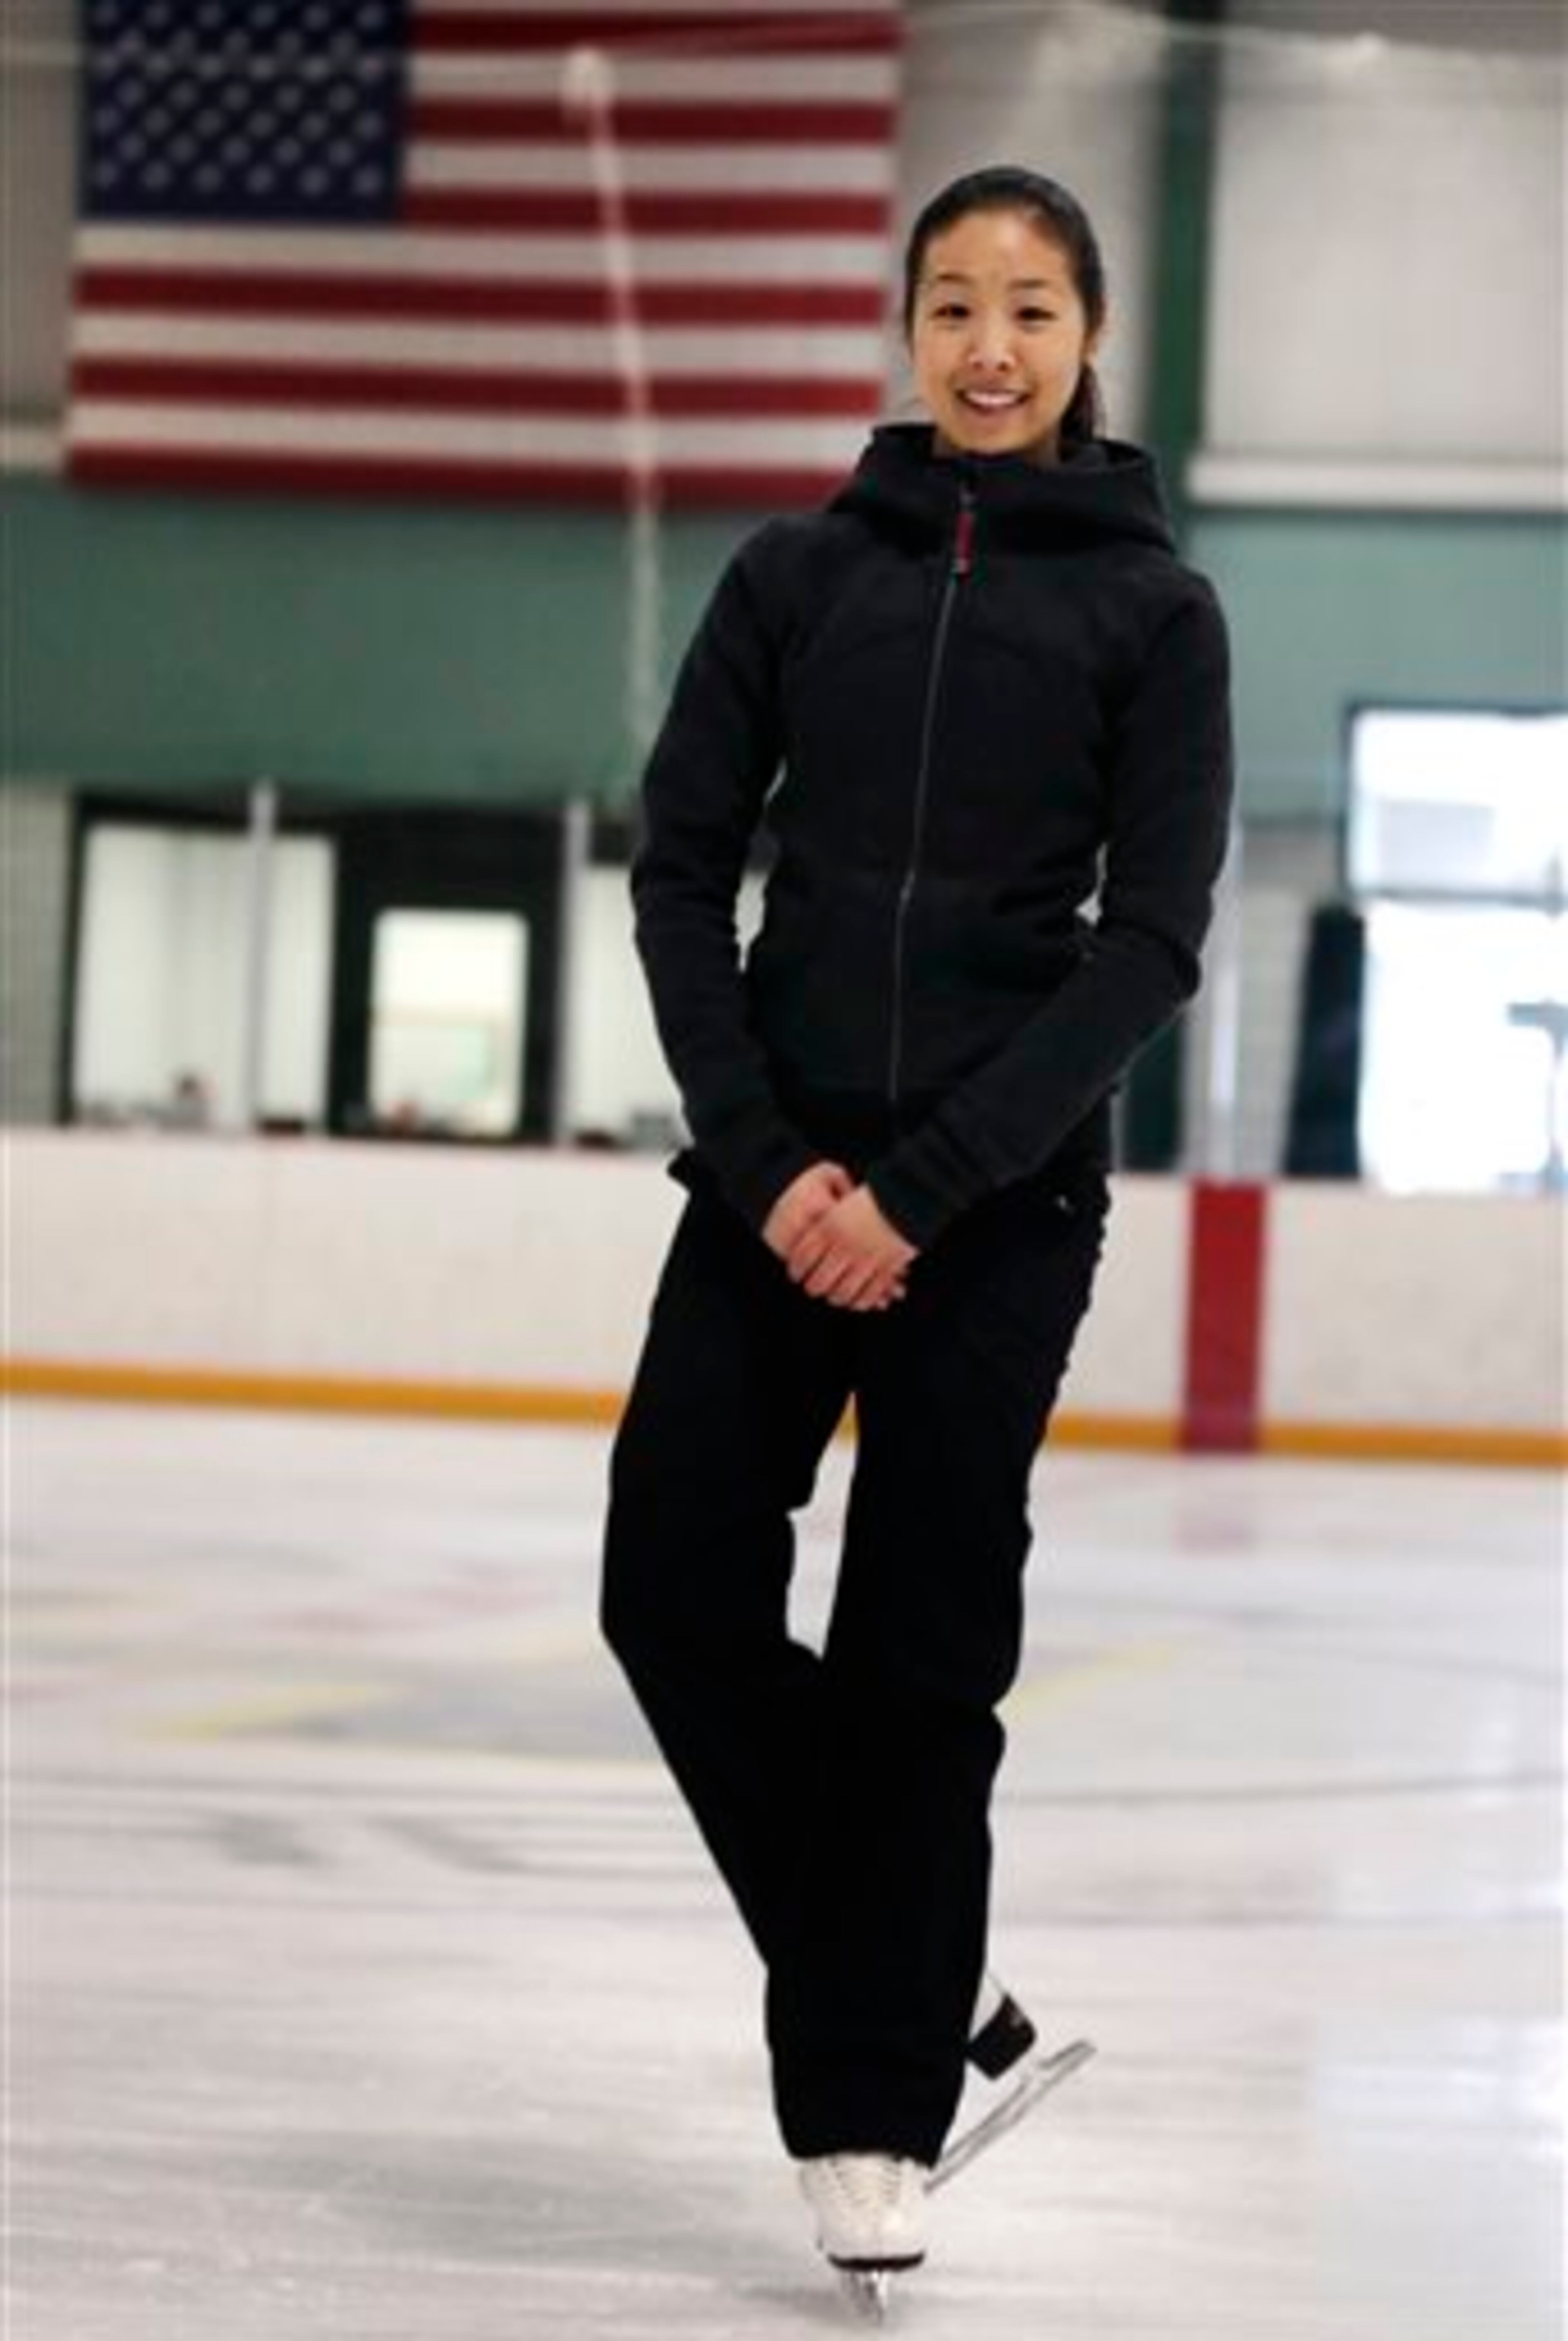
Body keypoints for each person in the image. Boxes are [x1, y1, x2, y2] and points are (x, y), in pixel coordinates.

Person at [600, 163, 1234, 2287]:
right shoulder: (798, 575)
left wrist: (929, 1189)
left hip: (1001, 1195)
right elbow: (680, 870)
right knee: (672, 1576)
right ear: (904, 326)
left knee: (918, 1646)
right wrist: (773, 1160)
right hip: (773, 1174)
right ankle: (924, 1970)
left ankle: (875, 2107)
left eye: (1032, 309)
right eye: (954, 303)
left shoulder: (1157, 612)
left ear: (1088, 338)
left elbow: (1149, 940)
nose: (989, 344)